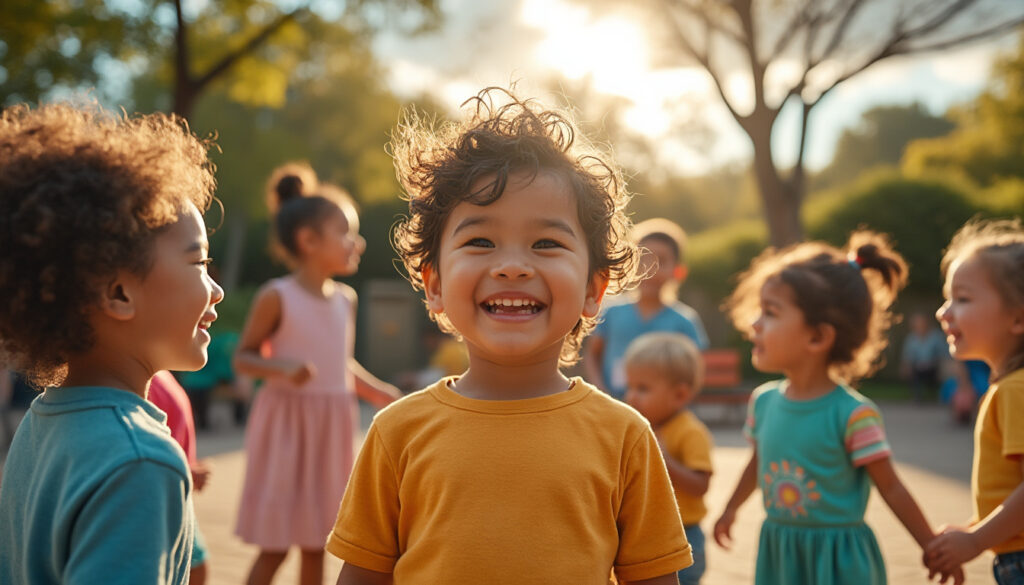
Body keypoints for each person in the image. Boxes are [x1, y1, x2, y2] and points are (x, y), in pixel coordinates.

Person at [327, 87, 693, 585]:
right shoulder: (397, 432)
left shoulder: (624, 436)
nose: (513, 266)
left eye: (546, 242)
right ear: (434, 285)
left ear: (593, 289)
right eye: (480, 241)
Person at [0, 102, 223, 584]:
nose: (217, 289)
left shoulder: (39, 425)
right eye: (199, 263)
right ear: (118, 293)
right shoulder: (142, 463)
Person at [711, 231, 963, 585]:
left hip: (839, 561)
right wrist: (730, 508)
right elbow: (758, 462)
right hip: (780, 553)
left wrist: (931, 546)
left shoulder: (852, 414)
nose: (754, 323)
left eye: (770, 312)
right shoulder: (764, 402)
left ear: (818, 337)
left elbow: (892, 488)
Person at [233, 162, 402, 585]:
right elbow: (243, 358)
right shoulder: (277, 296)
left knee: (319, 540)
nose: (357, 243)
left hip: (330, 430)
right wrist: (282, 368)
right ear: (308, 240)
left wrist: (377, 391)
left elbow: (338, 364)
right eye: (347, 233)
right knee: (275, 544)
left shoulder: (345, 299)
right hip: (287, 430)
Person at [925, 219, 1024, 585]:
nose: (943, 312)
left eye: (962, 299)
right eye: (947, 298)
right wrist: (972, 531)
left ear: (1018, 317)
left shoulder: (1016, 390)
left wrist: (977, 540)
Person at [623, 332, 713, 585]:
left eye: (643, 388)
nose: (631, 396)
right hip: (643, 533)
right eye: (630, 386)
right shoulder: (637, 428)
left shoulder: (690, 432)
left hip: (683, 536)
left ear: (680, 395)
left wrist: (666, 462)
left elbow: (700, 486)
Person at [585, 217, 709, 400]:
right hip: (612, 405)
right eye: (643, 259)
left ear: (678, 271)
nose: (650, 269)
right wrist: (600, 391)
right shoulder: (611, 312)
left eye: (661, 261)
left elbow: (694, 373)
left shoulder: (684, 321)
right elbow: (592, 355)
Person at [148, 370, 213, 585]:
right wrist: (183, 470)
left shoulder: (158, 373)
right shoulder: (142, 382)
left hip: (176, 494)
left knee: (195, 566)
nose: (204, 332)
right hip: (160, 501)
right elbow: (144, 448)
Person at [900, 311, 949, 402]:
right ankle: (917, 397)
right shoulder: (911, 339)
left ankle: (940, 395)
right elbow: (908, 358)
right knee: (912, 371)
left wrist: (932, 363)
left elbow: (944, 355)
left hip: (934, 367)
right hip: (918, 369)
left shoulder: (936, 337)